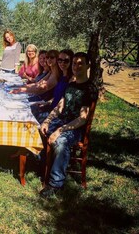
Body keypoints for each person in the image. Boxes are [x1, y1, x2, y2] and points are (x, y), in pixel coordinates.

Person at [39, 52, 98, 198]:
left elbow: (82, 119)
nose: (76, 66)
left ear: (88, 65)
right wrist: (47, 120)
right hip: (61, 121)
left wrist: (59, 130)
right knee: (37, 127)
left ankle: (55, 183)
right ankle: (42, 163)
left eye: (80, 64)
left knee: (61, 142)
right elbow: (60, 106)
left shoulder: (89, 89)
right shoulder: (70, 85)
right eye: (74, 63)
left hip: (75, 128)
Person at [32, 49, 74, 124]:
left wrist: (48, 120)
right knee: (31, 110)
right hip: (50, 108)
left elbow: (63, 101)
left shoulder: (72, 80)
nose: (62, 63)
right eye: (60, 60)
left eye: (66, 61)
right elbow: (57, 96)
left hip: (58, 115)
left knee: (32, 119)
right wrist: (47, 102)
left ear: (71, 62)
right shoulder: (61, 76)